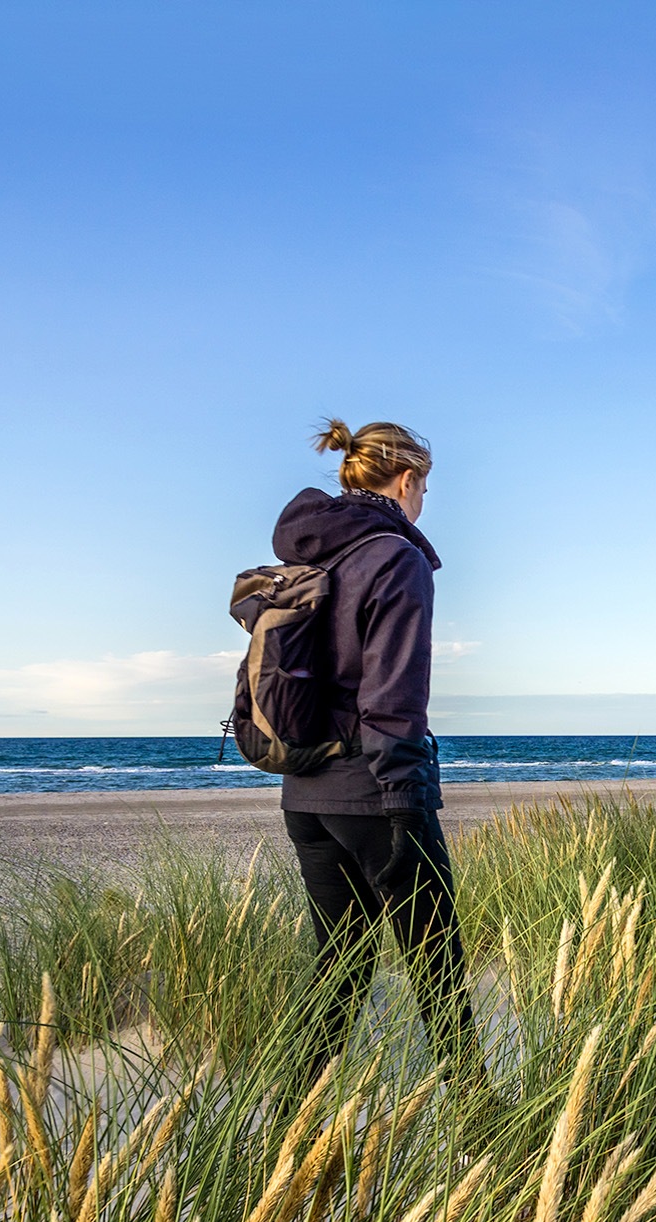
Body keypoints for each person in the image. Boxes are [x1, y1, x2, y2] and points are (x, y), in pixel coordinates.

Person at [273, 418, 486, 1094]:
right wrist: (403, 802)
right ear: (407, 479)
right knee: (436, 959)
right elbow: (393, 694)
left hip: (305, 792)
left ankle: (292, 1119)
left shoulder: (312, 554)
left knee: (340, 964)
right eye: (425, 487)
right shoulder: (396, 555)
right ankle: (474, 1106)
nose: (424, 502)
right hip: (373, 790)